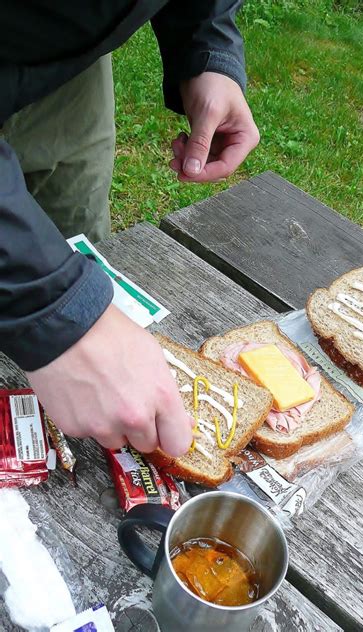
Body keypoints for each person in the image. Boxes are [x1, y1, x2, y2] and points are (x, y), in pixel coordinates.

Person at [0, 1, 259, 457]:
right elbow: (42, 300)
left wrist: (206, 44)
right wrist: (50, 309)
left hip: (67, 64)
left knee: (78, 242)